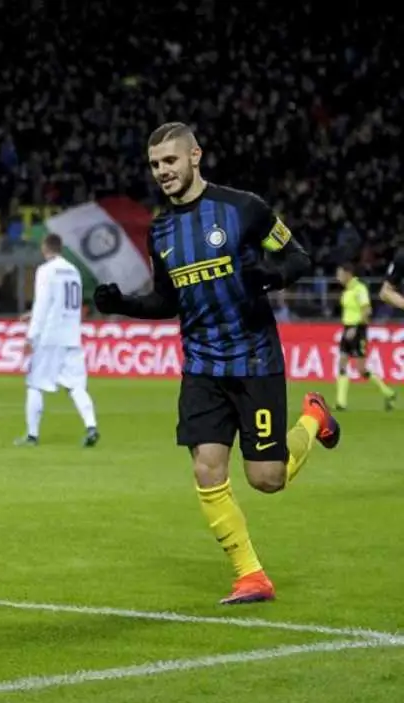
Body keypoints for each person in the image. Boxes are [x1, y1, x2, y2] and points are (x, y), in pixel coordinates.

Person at [93, 122, 341, 605]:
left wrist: (268, 275)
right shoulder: (161, 230)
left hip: (254, 359)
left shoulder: (243, 208)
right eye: (155, 164)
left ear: (195, 156)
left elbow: (298, 258)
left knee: (267, 479)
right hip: (202, 365)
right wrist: (123, 304)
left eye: (170, 160)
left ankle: (314, 418)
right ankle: (251, 576)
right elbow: (167, 300)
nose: (162, 171)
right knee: (207, 470)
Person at [16, 233, 98, 447]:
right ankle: (91, 426)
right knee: (76, 386)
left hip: (49, 337)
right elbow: (66, 303)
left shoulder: (46, 270)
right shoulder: (73, 270)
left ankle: (32, 435)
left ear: (45, 248)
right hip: (71, 335)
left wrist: (31, 336)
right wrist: (33, 314)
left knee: (35, 384)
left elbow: (43, 304)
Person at [334, 263, 395, 410]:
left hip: (358, 330)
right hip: (347, 328)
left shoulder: (359, 289)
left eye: (340, 274)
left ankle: (388, 392)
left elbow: (367, 310)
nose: (338, 277)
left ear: (348, 273)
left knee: (361, 369)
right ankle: (341, 402)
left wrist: (356, 328)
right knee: (342, 363)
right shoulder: (347, 290)